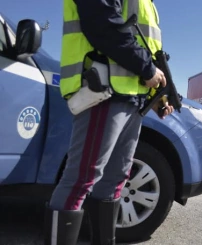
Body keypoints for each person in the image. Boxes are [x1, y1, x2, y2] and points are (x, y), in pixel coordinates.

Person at [44, 0, 173, 244]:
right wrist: (146, 69)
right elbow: (102, 25)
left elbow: (148, 48)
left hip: (131, 98)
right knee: (81, 178)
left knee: (115, 179)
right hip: (102, 91)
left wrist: (158, 96)